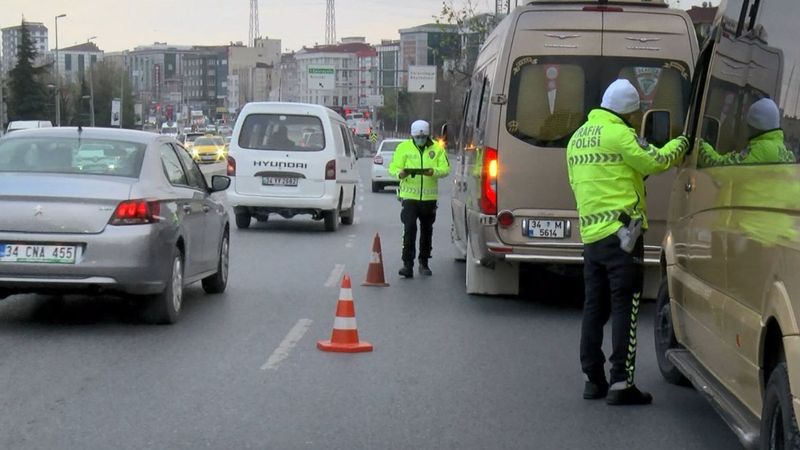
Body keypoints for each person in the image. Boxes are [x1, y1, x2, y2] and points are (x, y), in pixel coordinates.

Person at [566, 79, 689, 405]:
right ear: (628, 112)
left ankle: (593, 379)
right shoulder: (620, 134)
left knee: (594, 307)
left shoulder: (578, 138)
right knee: (626, 306)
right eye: (634, 115)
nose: (635, 120)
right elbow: (655, 161)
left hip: (591, 236)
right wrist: (682, 143)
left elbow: (601, 177)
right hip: (623, 235)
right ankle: (621, 382)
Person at [388, 120, 451, 278]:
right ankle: (407, 264)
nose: (420, 139)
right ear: (412, 135)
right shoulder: (403, 148)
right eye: (417, 137)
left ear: (427, 135)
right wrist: (400, 173)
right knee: (409, 229)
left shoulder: (437, 148)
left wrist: (433, 172)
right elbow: (393, 167)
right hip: (409, 196)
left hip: (428, 198)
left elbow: (445, 169)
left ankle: (424, 262)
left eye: (423, 137)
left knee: (426, 230)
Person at [699, 97, 796, 167]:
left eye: (748, 125)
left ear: (755, 127)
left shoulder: (762, 149)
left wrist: (700, 145)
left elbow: (722, 166)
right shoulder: (783, 150)